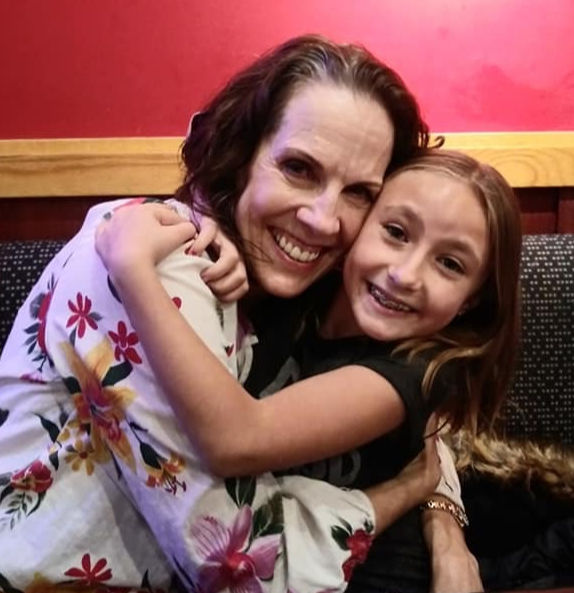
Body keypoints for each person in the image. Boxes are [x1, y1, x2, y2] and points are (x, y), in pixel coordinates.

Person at [0, 34, 459, 593]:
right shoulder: (156, 262)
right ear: (242, 155)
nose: (323, 219)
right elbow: (235, 565)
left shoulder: (293, 281)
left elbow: (419, 399)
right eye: (298, 168)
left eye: (359, 192)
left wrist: (444, 515)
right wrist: (401, 496)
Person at [95, 148, 522, 593]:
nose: (406, 274)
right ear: (359, 224)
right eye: (395, 232)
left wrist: (132, 268)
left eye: (450, 264)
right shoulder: (298, 292)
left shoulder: (415, 373)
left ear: (471, 300)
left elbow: (237, 440)